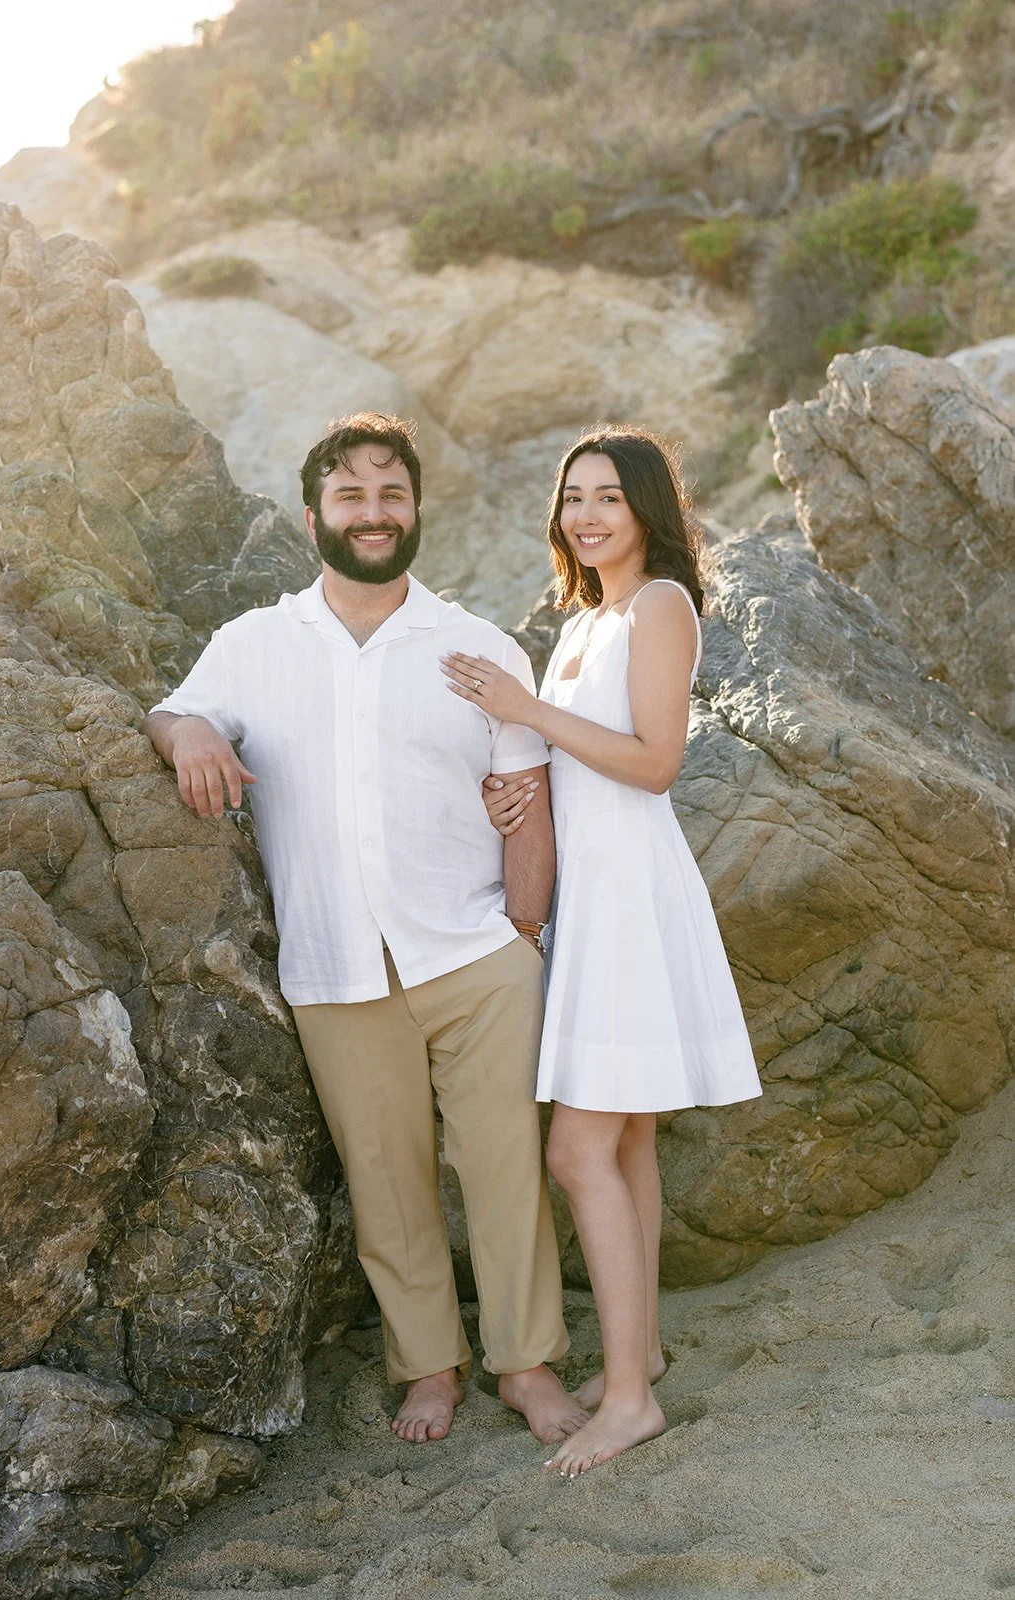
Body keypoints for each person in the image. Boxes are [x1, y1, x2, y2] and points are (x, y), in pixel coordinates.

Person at [143, 412, 588, 1447]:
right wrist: (193, 728)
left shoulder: (474, 643)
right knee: (383, 1178)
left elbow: (528, 794)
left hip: (475, 953)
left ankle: (525, 1366)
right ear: (314, 517)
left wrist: (523, 933)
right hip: (335, 964)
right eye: (351, 495)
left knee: (502, 1168)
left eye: (390, 494)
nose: (373, 512)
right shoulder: (254, 644)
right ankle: (429, 1366)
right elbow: (167, 714)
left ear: (416, 510)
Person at [440, 425, 762, 1477]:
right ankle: (646, 1351)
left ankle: (627, 1399)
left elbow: (656, 761)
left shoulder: (660, 606)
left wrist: (525, 710)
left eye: (607, 499)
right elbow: (570, 762)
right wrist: (514, 781)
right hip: (590, 898)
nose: (584, 515)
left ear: (646, 512)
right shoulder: (581, 621)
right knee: (621, 1146)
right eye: (572, 497)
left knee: (576, 1150)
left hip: (629, 895)